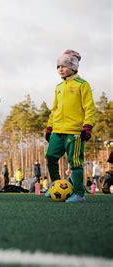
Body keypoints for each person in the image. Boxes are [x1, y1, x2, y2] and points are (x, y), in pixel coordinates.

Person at [44, 50, 95, 203]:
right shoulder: (58, 87)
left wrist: (87, 126)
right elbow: (54, 109)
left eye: (64, 66)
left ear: (74, 67)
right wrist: (49, 127)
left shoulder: (82, 84)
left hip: (75, 132)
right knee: (50, 157)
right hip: (57, 130)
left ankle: (79, 194)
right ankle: (56, 184)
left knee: (75, 162)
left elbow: (89, 107)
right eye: (58, 66)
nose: (60, 69)